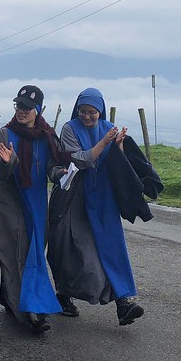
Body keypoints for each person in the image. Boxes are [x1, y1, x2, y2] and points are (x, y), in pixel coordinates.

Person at [47, 87, 145, 326]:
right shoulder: (70, 129)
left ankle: (124, 303)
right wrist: (104, 142)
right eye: (83, 111)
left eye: (92, 112)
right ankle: (64, 295)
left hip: (104, 198)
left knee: (113, 249)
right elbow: (79, 160)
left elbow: (115, 162)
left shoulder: (107, 128)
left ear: (100, 111)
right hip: (76, 197)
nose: (88, 117)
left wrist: (118, 144)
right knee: (79, 253)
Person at [0, 85, 68, 334]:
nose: (22, 111)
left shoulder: (47, 135)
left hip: (35, 202)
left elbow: (51, 167)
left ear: (38, 109)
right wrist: (9, 163)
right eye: (18, 106)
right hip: (10, 201)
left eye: (27, 107)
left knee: (32, 253)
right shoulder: (6, 133)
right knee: (14, 251)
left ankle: (11, 298)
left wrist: (61, 174)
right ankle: (30, 312)